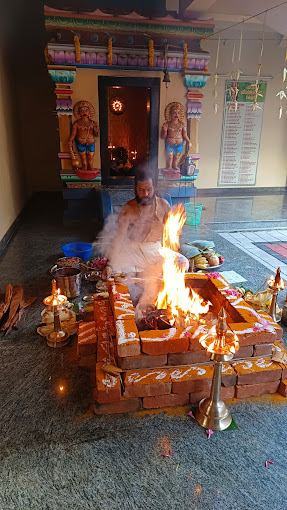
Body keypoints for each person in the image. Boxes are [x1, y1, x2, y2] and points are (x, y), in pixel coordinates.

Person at [101, 167, 188, 281]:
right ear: (135, 189)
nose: (145, 193)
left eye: (149, 189)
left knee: (182, 263)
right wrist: (109, 265)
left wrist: (171, 252)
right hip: (133, 252)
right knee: (116, 275)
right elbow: (119, 238)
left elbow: (170, 235)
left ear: (154, 188)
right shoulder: (127, 209)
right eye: (141, 189)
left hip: (156, 250)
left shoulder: (164, 205)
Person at [161, 101, 192, 171]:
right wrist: (165, 131)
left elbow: (184, 134)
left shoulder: (182, 124)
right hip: (169, 143)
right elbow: (163, 137)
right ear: (170, 114)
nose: (176, 115)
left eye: (178, 113)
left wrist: (189, 141)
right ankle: (169, 166)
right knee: (170, 157)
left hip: (179, 144)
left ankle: (174, 166)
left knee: (176, 157)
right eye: (174, 112)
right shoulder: (167, 124)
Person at [68, 100, 99, 170]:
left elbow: (96, 134)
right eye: (82, 111)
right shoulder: (77, 124)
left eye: (86, 110)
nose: (84, 112)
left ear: (89, 112)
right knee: (83, 158)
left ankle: (90, 167)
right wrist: (70, 140)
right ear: (79, 113)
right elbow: (74, 133)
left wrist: (96, 131)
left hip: (91, 142)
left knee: (90, 158)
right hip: (80, 142)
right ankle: (84, 166)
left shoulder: (93, 123)